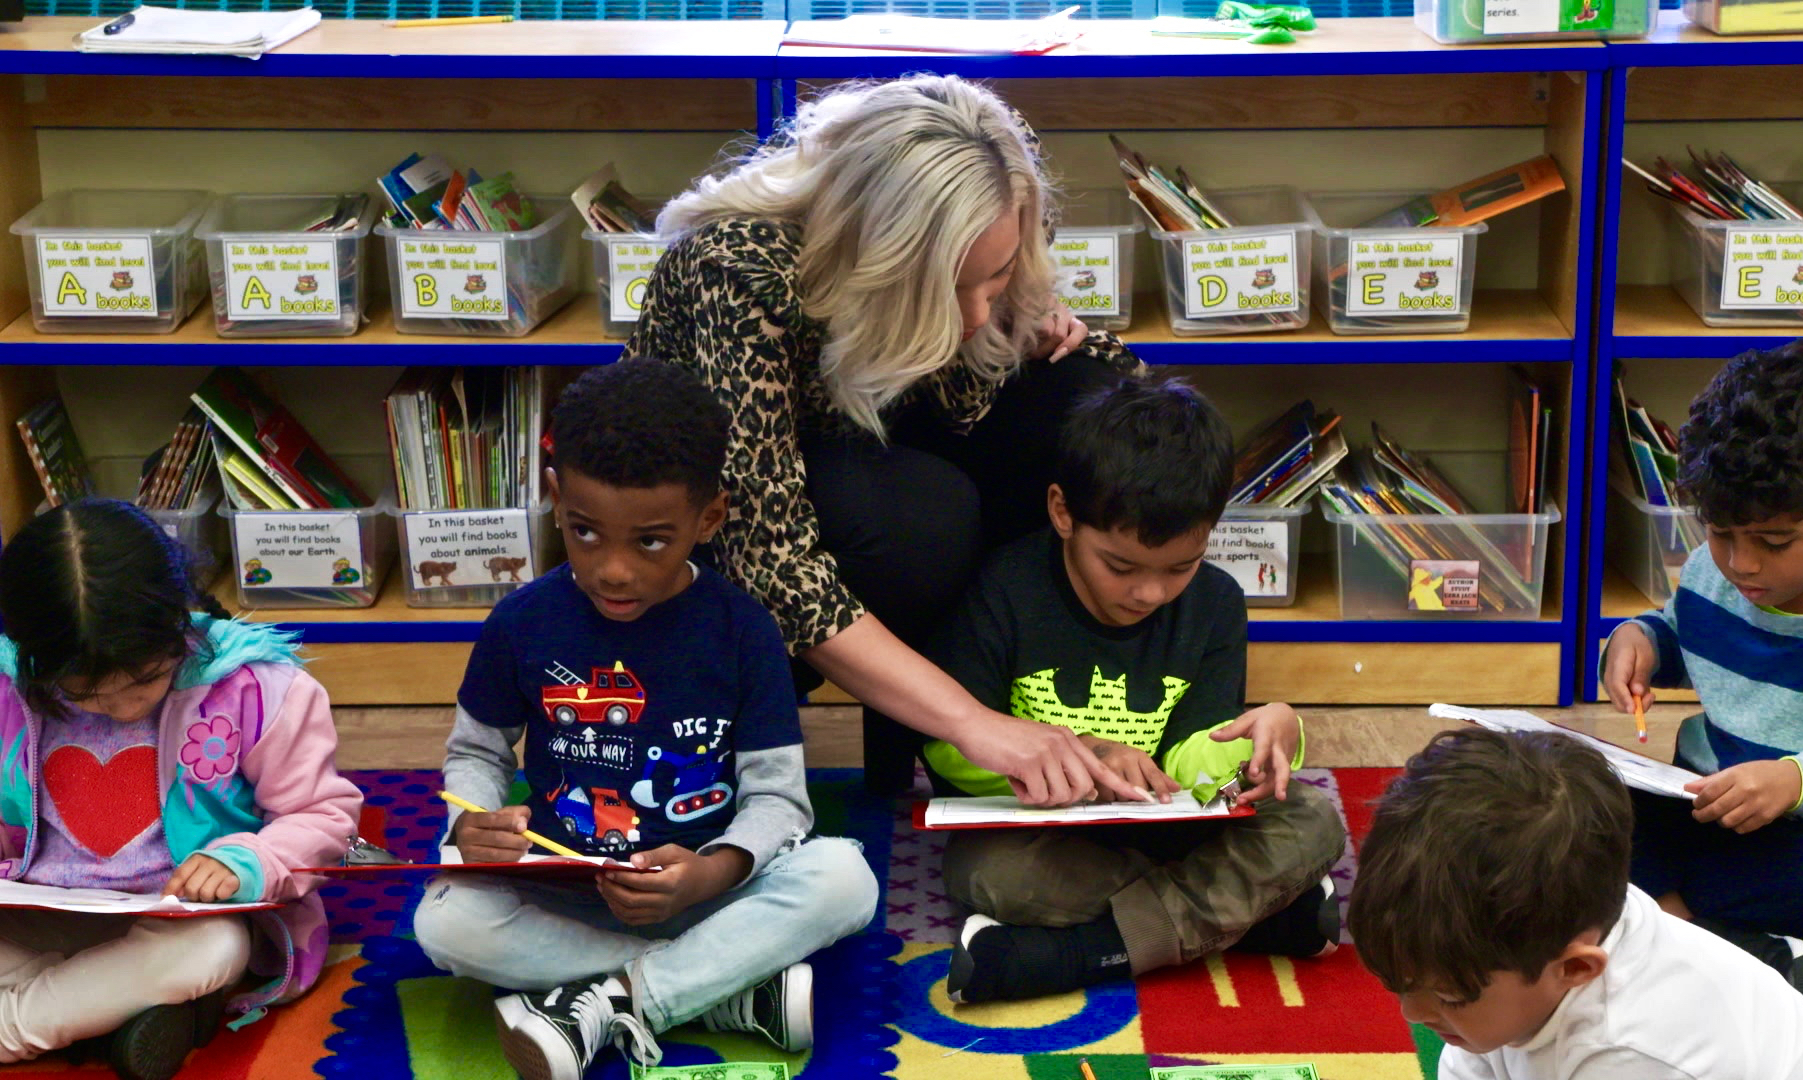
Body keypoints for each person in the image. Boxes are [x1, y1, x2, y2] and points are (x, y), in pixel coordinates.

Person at [632, 73, 1150, 803]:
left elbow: (975, 374)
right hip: (734, 525)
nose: (973, 313)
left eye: (993, 275)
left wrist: (1027, 315)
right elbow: (770, 560)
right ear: (875, 253)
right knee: (917, 519)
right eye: (946, 285)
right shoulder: (739, 269)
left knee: (1095, 394)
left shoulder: (1002, 174)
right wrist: (973, 723)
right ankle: (951, 719)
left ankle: (1051, 699)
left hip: (887, 414)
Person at [414, 360, 879, 1080]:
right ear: (554, 497)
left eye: (651, 541)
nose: (613, 570)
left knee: (845, 877)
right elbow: (477, 752)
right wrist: (469, 819)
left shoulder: (743, 630)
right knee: (442, 920)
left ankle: (617, 998)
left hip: (714, 895)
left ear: (710, 518)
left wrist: (711, 872)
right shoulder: (520, 622)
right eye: (584, 532)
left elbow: (779, 800)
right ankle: (720, 992)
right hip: (568, 893)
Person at [931, 376, 1346, 1002]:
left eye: (1181, 566)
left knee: (1314, 822)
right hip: (1049, 834)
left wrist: (1265, 738)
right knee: (988, 873)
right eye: (1120, 567)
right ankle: (1260, 917)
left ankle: (1081, 954)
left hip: (1172, 828)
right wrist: (1085, 752)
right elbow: (949, 748)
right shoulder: (1004, 589)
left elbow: (1192, 762)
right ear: (1062, 511)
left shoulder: (1215, 604)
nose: (1149, 593)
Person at [0, 498, 361, 1080]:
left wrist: (247, 859)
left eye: (144, 680)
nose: (121, 706)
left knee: (215, 952)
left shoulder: (258, 689)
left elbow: (323, 814)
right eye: (82, 694)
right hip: (47, 910)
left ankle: (6, 1030)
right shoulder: (6, 694)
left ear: (177, 621)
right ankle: (101, 1014)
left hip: (183, 920)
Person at [1601, 342, 1803, 975]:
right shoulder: (1717, 571)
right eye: (1719, 533)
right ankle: (1725, 938)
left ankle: (1660, 920)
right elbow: (1685, 634)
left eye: (1774, 541)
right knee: (1573, 802)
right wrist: (1642, 640)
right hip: (1697, 805)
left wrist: (1795, 783)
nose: (1741, 564)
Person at [1350, 727, 1803, 1080]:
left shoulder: (1633, 1051)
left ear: (1576, 968)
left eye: (1446, 996)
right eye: (1401, 984)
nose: (1412, 1013)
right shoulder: (1540, 946)